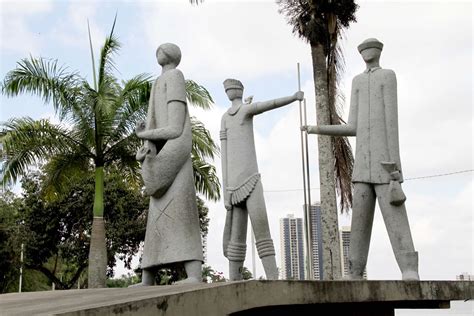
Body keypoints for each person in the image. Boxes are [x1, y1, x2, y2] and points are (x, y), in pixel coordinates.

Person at [302, 38, 419, 280]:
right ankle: (355, 271)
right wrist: (317, 128)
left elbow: (391, 123)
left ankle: (409, 268)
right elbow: (352, 126)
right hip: (362, 167)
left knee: (396, 217)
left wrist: (396, 167)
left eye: (371, 49)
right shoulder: (357, 81)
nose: (367, 52)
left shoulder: (387, 76)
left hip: (385, 164)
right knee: (359, 224)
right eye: (364, 50)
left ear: (379, 51)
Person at [220, 78, 303, 280]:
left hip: (252, 180)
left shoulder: (245, 111)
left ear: (238, 91)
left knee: (262, 230)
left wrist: (292, 98)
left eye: (231, 89)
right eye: (227, 89)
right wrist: (226, 190)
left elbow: (269, 105)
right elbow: (224, 155)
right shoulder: (225, 117)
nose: (229, 92)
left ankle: (273, 277)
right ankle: (234, 280)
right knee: (236, 239)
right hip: (233, 187)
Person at [135, 43, 203, 285]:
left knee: (183, 216)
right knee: (155, 223)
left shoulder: (175, 77)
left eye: (164, 49)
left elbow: (175, 128)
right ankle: (147, 277)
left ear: (171, 56)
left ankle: (194, 275)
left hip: (175, 157)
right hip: (160, 154)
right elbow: (154, 124)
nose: (158, 50)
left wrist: (145, 136)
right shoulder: (158, 81)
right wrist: (148, 144)